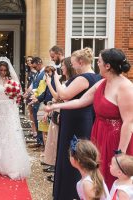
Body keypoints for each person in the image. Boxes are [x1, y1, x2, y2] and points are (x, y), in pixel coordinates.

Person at [46, 48, 133, 189]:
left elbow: (129, 122)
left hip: (115, 139)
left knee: (112, 176)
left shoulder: (126, 87)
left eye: (99, 61)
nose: (96, 63)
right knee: (96, 176)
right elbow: (80, 102)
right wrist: (55, 107)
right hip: (98, 133)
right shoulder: (102, 83)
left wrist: (120, 154)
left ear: (108, 66)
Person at [46, 47, 101, 199]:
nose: (72, 66)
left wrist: (55, 78)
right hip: (81, 117)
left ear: (81, 62)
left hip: (76, 120)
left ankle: (69, 192)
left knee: (72, 155)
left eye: (74, 63)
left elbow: (63, 95)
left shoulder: (83, 78)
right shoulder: (96, 77)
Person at [0, 57, 31, 180]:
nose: (2, 72)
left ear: (7, 70)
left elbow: (17, 96)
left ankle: (10, 161)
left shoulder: (11, 80)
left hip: (8, 109)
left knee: (9, 132)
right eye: (1, 70)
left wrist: (15, 96)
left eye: (4, 70)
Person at [42, 57, 77, 182]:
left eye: (63, 65)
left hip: (62, 114)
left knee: (57, 142)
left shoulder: (70, 82)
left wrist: (51, 81)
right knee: (54, 142)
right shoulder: (66, 80)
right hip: (57, 112)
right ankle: (56, 168)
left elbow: (57, 96)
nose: (61, 68)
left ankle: (58, 170)